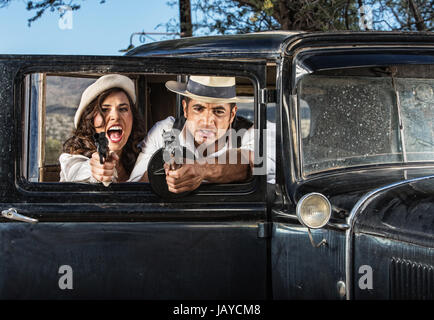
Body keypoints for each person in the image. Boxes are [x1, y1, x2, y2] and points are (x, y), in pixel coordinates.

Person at [129, 75, 264, 194]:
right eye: (199, 109)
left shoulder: (250, 133)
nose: (207, 121)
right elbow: (135, 188)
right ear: (185, 109)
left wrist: (202, 169)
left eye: (218, 111)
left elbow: (251, 162)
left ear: (232, 114)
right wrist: (161, 168)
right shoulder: (166, 131)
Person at [59, 74, 145, 185]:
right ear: (91, 120)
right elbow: (77, 171)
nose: (115, 116)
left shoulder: (140, 159)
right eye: (104, 109)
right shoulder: (71, 162)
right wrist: (96, 169)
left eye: (123, 109)